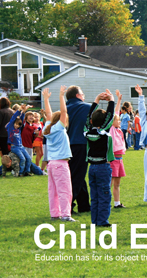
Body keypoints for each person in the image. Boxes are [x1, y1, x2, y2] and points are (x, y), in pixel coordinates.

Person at [83, 90, 116, 227]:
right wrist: (111, 100)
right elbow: (110, 115)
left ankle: (94, 220)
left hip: (92, 168)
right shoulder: (103, 132)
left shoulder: (87, 131)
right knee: (104, 195)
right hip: (103, 167)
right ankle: (102, 221)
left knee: (95, 195)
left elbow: (88, 117)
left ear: (91, 121)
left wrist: (96, 99)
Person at [42, 87, 75, 221]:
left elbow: (49, 113)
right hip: (60, 164)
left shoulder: (48, 128)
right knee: (65, 191)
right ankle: (66, 215)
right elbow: (64, 111)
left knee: (53, 191)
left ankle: (55, 214)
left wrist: (46, 99)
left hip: (51, 164)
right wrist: (61, 96)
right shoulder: (59, 128)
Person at [65, 85, 93, 213]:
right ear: (77, 95)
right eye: (82, 94)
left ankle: (84, 205)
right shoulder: (87, 107)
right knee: (77, 176)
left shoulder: (64, 109)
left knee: (77, 174)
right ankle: (68, 205)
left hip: (67, 145)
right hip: (81, 143)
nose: (83, 96)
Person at [109, 91, 127, 209]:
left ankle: (117, 203)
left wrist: (120, 99)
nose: (119, 121)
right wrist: (116, 100)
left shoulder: (119, 131)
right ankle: (105, 202)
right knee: (109, 183)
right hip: (113, 159)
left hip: (120, 159)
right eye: (118, 120)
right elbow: (114, 113)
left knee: (117, 183)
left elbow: (117, 114)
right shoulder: (111, 129)